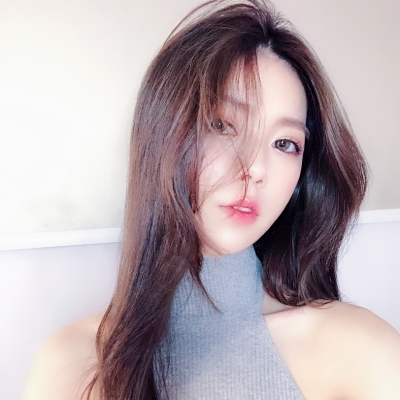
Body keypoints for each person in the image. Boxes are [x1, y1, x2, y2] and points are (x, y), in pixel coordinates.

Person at [22, 1, 400, 399]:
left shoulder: (358, 350)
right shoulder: (72, 363)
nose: (256, 168)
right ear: (164, 134)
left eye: (285, 143)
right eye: (223, 125)